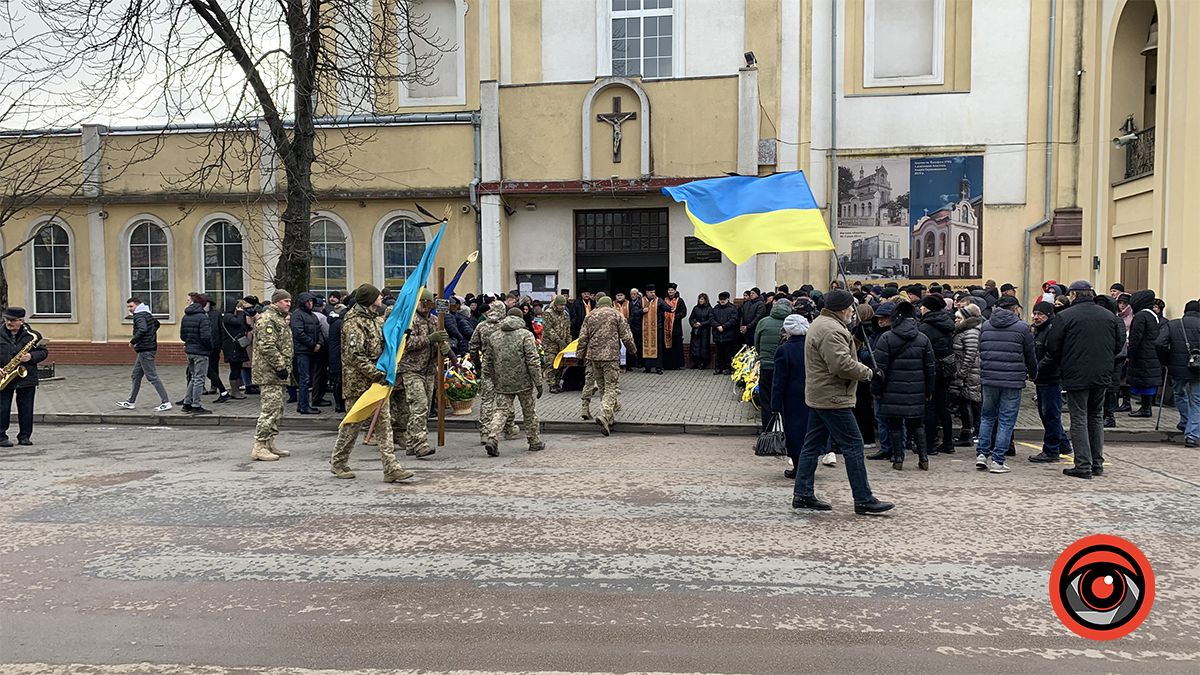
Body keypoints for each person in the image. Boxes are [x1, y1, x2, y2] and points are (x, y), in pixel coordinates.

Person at [790, 289, 894, 516]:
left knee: (812, 444)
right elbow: (841, 365)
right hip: (833, 396)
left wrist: (855, 337)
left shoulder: (825, 323)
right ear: (844, 309)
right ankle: (863, 498)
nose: (853, 312)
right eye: (851, 308)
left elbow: (842, 354)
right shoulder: (831, 329)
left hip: (822, 394)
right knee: (854, 445)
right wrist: (870, 373)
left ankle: (803, 493)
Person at [328, 284, 414, 482]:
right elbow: (355, 355)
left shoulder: (375, 319)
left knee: (384, 424)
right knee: (353, 424)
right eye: (377, 297)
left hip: (376, 383)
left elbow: (386, 342)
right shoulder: (353, 323)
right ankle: (338, 462)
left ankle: (391, 468)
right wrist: (375, 373)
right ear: (369, 300)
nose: (381, 299)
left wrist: (402, 338)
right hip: (358, 383)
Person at [1046, 281, 1124, 478]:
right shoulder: (1110, 316)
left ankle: (1082, 465)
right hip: (1103, 373)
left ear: (1073, 295)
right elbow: (1119, 344)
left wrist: (1065, 361)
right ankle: (1097, 463)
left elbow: (1053, 346)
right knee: (1096, 416)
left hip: (1076, 373)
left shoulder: (1065, 316)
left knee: (1079, 417)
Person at [975, 296, 1037, 474]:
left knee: (987, 418)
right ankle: (998, 460)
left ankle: (981, 454)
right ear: (1014, 308)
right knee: (1006, 420)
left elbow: (982, 350)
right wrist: (1033, 374)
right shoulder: (1022, 328)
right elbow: (1030, 355)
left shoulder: (985, 326)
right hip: (1012, 380)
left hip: (989, 378)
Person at [871, 301, 934, 471]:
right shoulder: (923, 338)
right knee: (918, 425)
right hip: (917, 389)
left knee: (895, 425)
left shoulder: (886, 338)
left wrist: (876, 390)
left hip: (892, 390)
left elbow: (879, 369)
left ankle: (898, 458)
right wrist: (929, 390)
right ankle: (924, 458)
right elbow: (930, 368)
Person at [395, 289, 450, 459]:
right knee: (419, 405)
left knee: (423, 410)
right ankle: (420, 444)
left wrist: (444, 346)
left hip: (428, 370)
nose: (425, 307)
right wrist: (429, 339)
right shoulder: (409, 320)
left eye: (428, 304)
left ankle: (411, 443)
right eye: (422, 303)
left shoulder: (435, 320)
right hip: (411, 369)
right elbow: (406, 343)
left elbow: (441, 339)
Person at [483, 308, 545, 456]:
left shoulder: (495, 336)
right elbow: (533, 360)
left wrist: (492, 377)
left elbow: (488, 360)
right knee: (529, 412)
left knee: (501, 411)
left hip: (503, 381)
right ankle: (534, 441)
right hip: (523, 382)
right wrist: (538, 382)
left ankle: (492, 437)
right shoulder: (525, 335)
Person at [576, 296, 636, 436]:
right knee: (611, 387)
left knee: (602, 386)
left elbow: (583, 338)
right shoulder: (617, 314)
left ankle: (609, 419)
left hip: (594, 357)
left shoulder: (590, 315)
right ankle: (604, 414)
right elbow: (626, 336)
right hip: (610, 357)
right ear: (610, 304)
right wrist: (633, 351)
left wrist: (580, 356)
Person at [249, 290, 294, 461]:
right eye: (285, 301)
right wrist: (280, 366)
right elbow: (267, 345)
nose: (288, 304)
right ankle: (259, 446)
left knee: (277, 409)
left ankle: (269, 442)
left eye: (289, 301)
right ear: (276, 302)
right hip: (269, 372)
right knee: (270, 409)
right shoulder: (268, 319)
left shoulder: (279, 318)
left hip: (277, 373)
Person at [1028, 301, 1072, 463]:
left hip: (1050, 378)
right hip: (1044, 378)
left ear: (1048, 315)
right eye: (1035, 314)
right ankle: (1063, 444)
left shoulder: (1051, 330)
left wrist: (1036, 370)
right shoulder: (1040, 330)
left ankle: (1051, 449)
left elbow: (1051, 355)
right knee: (1047, 413)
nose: (1036, 317)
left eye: (1040, 314)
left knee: (1050, 414)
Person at [470, 300, 517, 444]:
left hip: (487, 366)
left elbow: (473, 346)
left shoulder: (481, 326)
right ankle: (508, 427)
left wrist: (477, 364)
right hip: (505, 367)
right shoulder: (507, 327)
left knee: (487, 400)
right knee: (506, 398)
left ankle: (484, 432)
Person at [771, 313, 811, 479]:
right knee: (810, 430)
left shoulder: (784, 350)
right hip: (813, 394)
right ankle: (809, 464)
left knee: (794, 432)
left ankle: (798, 466)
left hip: (792, 397)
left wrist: (775, 404)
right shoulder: (812, 346)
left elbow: (779, 380)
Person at [0, 308, 47, 447]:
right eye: (7, 319)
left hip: (26, 376)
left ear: (22, 321)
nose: (9, 322)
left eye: (13, 320)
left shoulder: (33, 335)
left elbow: (44, 352)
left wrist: (31, 356)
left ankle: (24, 436)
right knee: (2, 408)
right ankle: (1, 436)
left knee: (26, 408)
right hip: (4, 375)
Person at [1156, 299, 1200, 448]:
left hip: (1177, 368)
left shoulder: (1173, 324)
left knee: (1179, 394)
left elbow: (1159, 343)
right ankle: (1192, 435)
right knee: (1197, 400)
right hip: (1198, 369)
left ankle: (1185, 421)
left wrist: (1167, 360)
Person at [117, 297, 172, 411]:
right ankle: (130, 402)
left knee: (152, 376)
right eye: (128, 307)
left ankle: (166, 402)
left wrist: (133, 341)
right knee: (136, 375)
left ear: (137, 305)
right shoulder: (147, 314)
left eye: (131, 306)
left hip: (145, 349)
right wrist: (150, 335)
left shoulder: (140, 315)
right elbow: (156, 324)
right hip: (146, 348)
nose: (129, 309)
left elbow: (142, 329)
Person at [918, 294, 956, 456]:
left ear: (928, 308)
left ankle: (930, 444)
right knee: (943, 407)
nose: (920, 308)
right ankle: (948, 442)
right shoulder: (947, 323)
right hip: (946, 369)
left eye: (922, 306)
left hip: (932, 370)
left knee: (930, 407)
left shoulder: (925, 327)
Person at [754, 298, 792, 431]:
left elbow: (756, 343)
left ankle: (767, 434)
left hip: (766, 366)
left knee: (766, 401)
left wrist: (763, 356)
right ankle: (785, 435)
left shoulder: (763, 322)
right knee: (785, 401)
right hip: (785, 368)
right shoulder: (790, 323)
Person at [1126, 289, 1163, 418]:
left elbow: (1135, 338)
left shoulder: (1141, 316)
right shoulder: (1152, 315)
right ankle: (1146, 407)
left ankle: (1145, 408)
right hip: (1151, 353)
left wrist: (1130, 354)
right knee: (1147, 381)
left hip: (1143, 354)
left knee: (1144, 381)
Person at [949, 304, 983, 447]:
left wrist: (961, 374)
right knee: (965, 403)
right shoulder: (966, 331)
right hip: (966, 373)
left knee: (967, 403)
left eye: (958, 318)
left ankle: (968, 433)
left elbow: (970, 356)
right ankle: (968, 432)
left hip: (968, 375)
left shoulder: (971, 333)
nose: (956, 320)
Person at [179, 294, 214, 414]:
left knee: (194, 377)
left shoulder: (186, 316)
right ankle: (196, 405)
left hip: (189, 350)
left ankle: (187, 403)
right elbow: (206, 336)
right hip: (201, 351)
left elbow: (182, 336)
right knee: (199, 378)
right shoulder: (203, 317)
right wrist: (210, 347)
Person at [290, 292, 324, 415]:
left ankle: (302, 404)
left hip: (311, 350)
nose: (310, 304)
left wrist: (319, 343)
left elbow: (319, 330)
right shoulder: (297, 315)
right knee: (304, 379)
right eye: (308, 302)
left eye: (311, 302)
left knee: (307, 378)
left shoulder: (313, 316)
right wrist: (313, 344)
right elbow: (298, 333)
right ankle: (304, 405)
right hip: (302, 351)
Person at [219, 300, 250, 400]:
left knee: (237, 367)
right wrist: (240, 313)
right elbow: (238, 323)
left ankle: (236, 389)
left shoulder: (232, 316)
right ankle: (234, 391)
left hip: (236, 346)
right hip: (232, 347)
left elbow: (243, 326)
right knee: (235, 369)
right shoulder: (227, 317)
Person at [541, 295, 572, 393]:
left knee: (560, 364)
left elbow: (567, 329)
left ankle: (557, 382)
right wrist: (558, 340)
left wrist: (568, 341)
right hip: (550, 344)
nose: (562, 307)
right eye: (560, 305)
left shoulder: (565, 314)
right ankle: (551, 384)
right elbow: (548, 329)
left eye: (564, 305)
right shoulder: (548, 313)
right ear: (556, 304)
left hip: (562, 344)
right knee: (550, 364)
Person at [640, 285, 668, 374]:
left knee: (658, 348)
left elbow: (666, 307)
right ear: (647, 293)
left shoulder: (658, 300)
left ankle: (658, 367)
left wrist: (671, 308)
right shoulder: (642, 300)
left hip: (656, 328)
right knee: (646, 347)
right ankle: (647, 367)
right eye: (651, 292)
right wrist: (642, 311)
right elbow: (635, 311)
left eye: (653, 292)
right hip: (645, 328)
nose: (653, 294)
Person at [710, 291, 740, 375]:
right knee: (719, 353)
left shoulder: (732, 308)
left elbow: (734, 320)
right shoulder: (715, 308)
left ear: (728, 299)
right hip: (717, 335)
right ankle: (719, 368)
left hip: (728, 335)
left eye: (724, 299)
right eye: (721, 299)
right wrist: (717, 326)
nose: (722, 301)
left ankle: (728, 368)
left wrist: (724, 326)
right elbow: (711, 319)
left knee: (728, 352)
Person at [662, 283, 687, 370]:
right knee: (667, 347)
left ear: (675, 291)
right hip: (666, 327)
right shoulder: (664, 300)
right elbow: (660, 311)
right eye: (669, 290)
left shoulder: (679, 301)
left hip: (676, 327)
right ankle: (667, 365)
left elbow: (684, 312)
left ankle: (677, 365)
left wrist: (675, 317)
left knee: (677, 346)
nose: (670, 292)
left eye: (672, 290)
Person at [327, 303, 346, 413]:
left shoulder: (334, 322)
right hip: (337, 354)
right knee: (338, 381)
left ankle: (339, 404)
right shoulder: (339, 323)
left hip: (334, 354)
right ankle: (339, 404)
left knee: (337, 380)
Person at [688, 293, 713, 369]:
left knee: (703, 347)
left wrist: (701, 324)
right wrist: (693, 324)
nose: (700, 300)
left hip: (704, 330)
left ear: (706, 300)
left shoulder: (709, 309)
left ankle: (703, 363)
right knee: (695, 346)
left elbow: (710, 320)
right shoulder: (696, 308)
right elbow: (691, 318)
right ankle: (695, 362)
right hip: (696, 330)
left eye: (702, 299)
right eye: (699, 299)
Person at [627, 288, 644, 369]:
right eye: (631, 294)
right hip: (631, 327)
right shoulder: (628, 303)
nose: (633, 296)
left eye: (634, 294)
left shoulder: (641, 302)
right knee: (631, 345)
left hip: (640, 327)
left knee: (639, 346)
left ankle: (640, 362)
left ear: (637, 294)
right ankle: (631, 363)